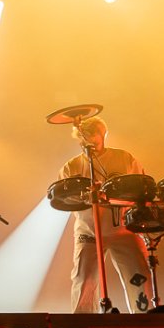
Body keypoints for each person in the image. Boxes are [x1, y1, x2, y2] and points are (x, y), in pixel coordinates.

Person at [59, 116, 152, 314]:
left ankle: (144, 320)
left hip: (124, 230)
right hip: (88, 232)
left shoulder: (124, 158)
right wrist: (84, 196)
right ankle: (84, 325)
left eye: (95, 135)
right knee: (84, 280)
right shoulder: (71, 166)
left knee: (139, 276)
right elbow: (63, 199)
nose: (90, 141)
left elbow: (142, 187)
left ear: (103, 135)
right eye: (85, 136)